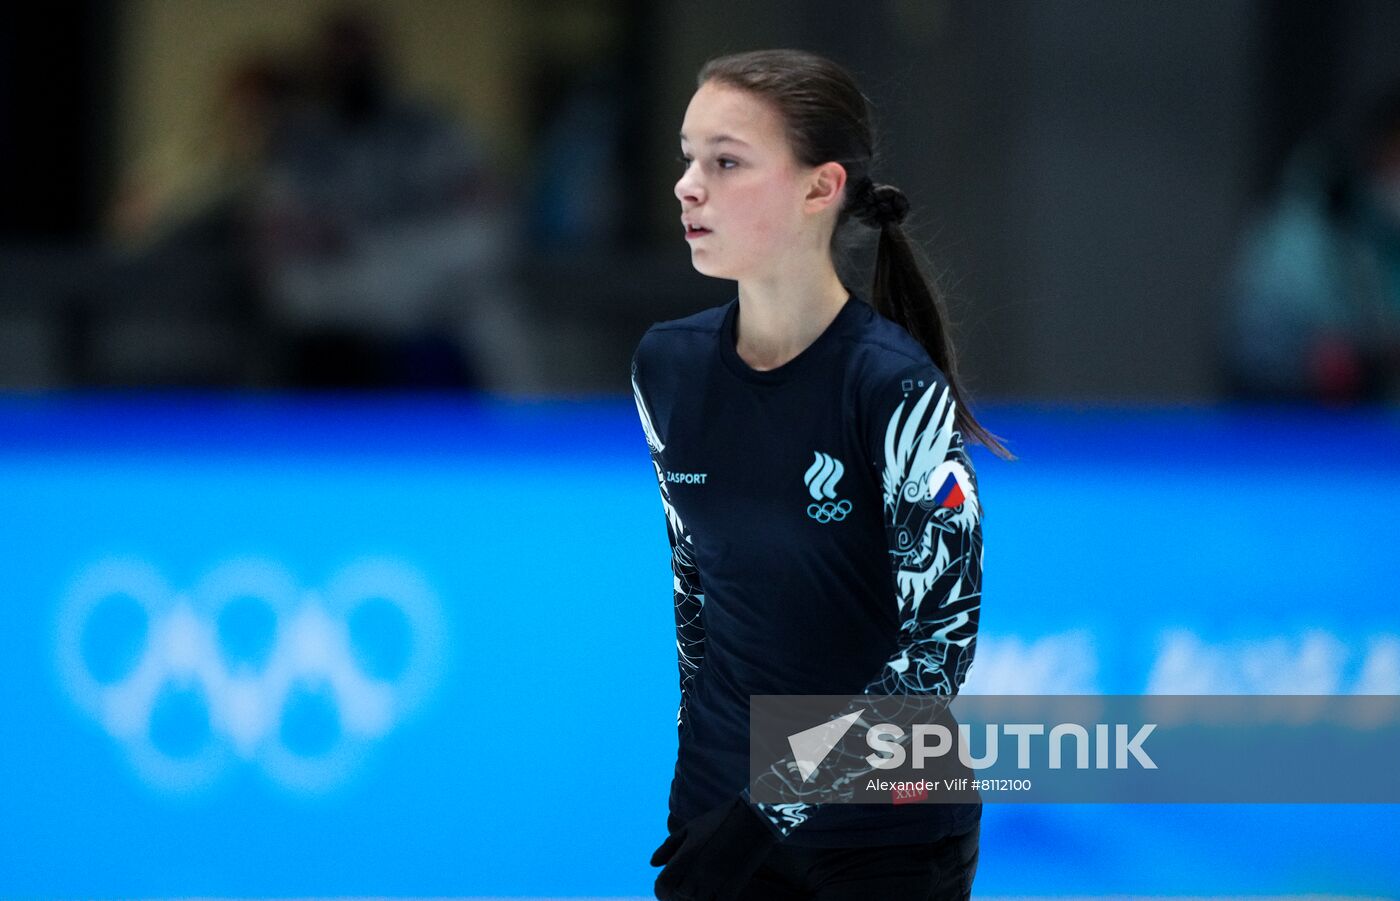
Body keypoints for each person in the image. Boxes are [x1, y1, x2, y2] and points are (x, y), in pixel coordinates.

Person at [629, 49, 1015, 901]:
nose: (690, 185)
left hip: (882, 833)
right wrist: (702, 801)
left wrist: (774, 804)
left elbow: (937, 652)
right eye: (688, 158)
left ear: (820, 186)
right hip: (722, 818)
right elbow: (696, 597)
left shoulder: (892, 387)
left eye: (725, 162)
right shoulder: (667, 366)